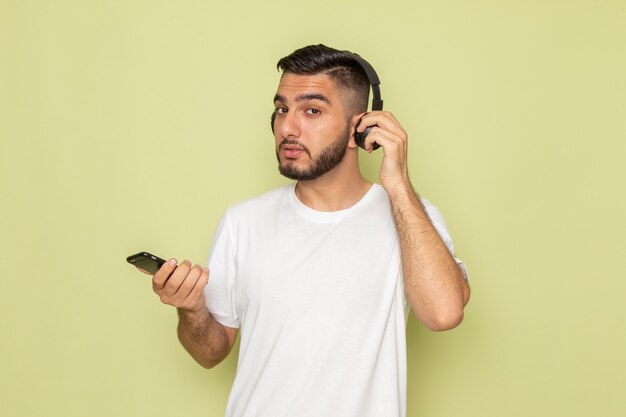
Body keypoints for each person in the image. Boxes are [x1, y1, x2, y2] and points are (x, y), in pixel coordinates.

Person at [148, 44, 470, 417]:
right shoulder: (243, 222)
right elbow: (210, 353)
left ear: (361, 129)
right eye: (282, 109)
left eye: (312, 110)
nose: (287, 127)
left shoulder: (412, 218)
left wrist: (397, 182)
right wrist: (191, 310)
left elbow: (444, 314)